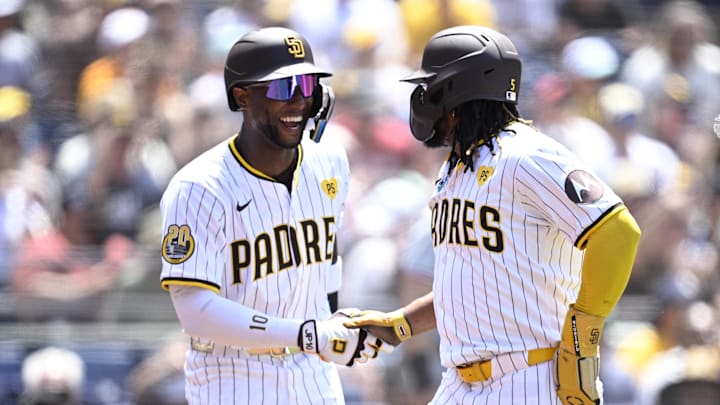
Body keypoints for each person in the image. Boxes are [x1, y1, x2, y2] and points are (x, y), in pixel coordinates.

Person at [344, 25, 642, 404]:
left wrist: (582, 339)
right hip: (459, 381)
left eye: (431, 87)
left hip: (531, 377)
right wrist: (401, 324)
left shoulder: (527, 155)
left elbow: (618, 231)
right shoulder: (455, 168)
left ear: (457, 90)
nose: (422, 98)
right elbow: (474, 284)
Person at [159, 26, 386, 404]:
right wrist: (308, 333)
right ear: (242, 97)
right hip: (232, 376)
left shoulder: (330, 161)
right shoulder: (198, 187)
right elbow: (195, 311)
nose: (298, 100)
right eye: (283, 88)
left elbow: (327, 264)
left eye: (308, 85)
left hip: (314, 376)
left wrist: (335, 324)